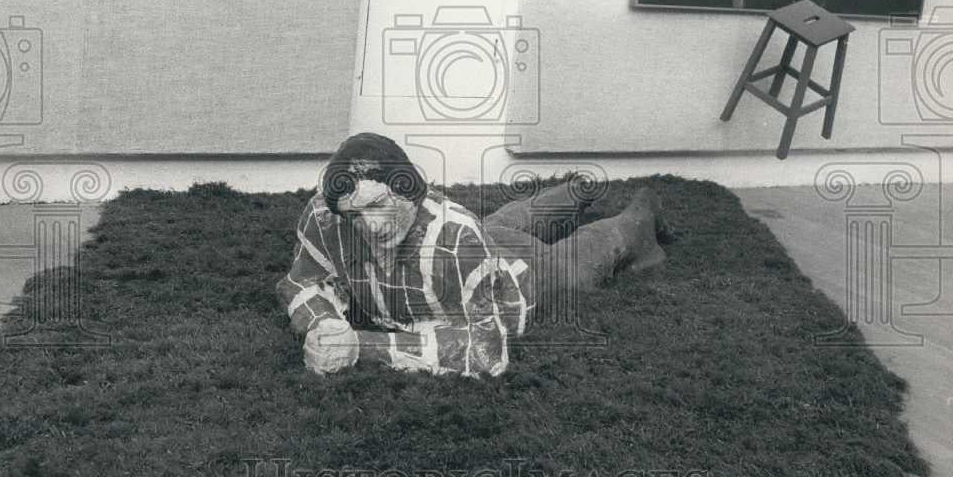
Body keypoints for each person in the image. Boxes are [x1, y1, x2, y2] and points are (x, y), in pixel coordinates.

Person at [275, 133, 666, 377]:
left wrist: (361, 346)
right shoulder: (327, 217)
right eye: (355, 215)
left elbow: (486, 352)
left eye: (379, 205)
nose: (371, 227)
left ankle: (641, 216)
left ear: (407, 186)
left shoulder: (456, 238)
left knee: (575, 264)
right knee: (495, 227)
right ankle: (574, 191)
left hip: (517, 278)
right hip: (482, 243)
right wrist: (323, 324)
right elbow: (299, 281)